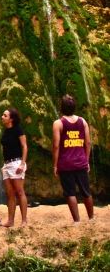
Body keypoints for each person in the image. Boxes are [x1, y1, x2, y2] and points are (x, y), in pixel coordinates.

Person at [52, 94, 94, 223]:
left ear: (61, 108)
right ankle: (91, 218)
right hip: (81, 162)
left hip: (66, 164)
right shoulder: (83, 121)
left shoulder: (58, 123)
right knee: (86, 192)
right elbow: (87, 143)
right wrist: (86, 161)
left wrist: (55, 165)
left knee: (70, 193)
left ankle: (77, 221)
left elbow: (56, 145)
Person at [0, 107, 28, 227]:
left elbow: (24, 146)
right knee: (10, 194)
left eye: (5, 115)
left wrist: (22, 163)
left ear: (11, 119)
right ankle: (10, 221)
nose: (2, 117)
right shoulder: (6, 131)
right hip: (7, 165)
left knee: (20, 192)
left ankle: (24, 220)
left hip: (16, 163)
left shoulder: (18, 130)